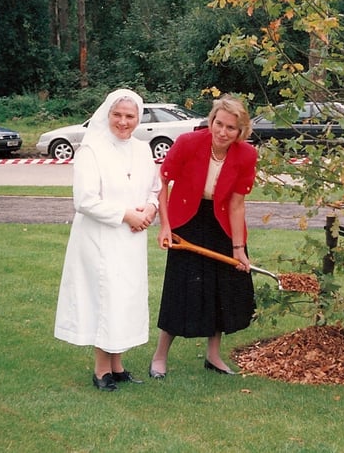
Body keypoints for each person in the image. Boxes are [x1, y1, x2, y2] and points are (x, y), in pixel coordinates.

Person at [54, 88, 161, 391]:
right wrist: (127, 215)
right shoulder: (92, 149)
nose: (123, 122)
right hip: (100, 238)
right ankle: (101, 369)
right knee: (106, 298)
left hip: (131, 238)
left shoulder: (142, 149)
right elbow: (84, 200)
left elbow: (155, 187)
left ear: (138, 118)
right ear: (107, 114)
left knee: (125, 299)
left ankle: (117, 364)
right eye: (118, 115)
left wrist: (150, 209)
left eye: (130, 116)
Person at [150, 94, 257, 378]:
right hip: (187, 221)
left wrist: (238, 247)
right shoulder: (188, 143)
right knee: (180, 288)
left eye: (230, 128)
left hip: (221, 223)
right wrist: (165, 225)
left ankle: (213, 356)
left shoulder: (247, 154)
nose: (222, 132)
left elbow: (236, 203)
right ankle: (160, 356)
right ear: (211, 121)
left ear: (240, 131)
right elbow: (162, 181)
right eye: (218, 124)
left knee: (222, 289)